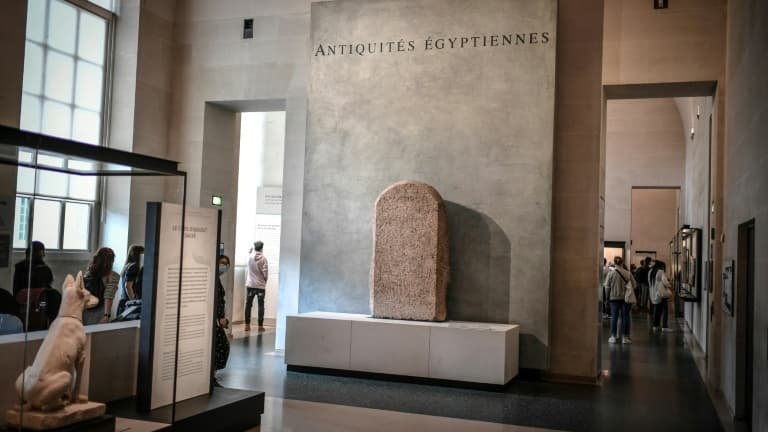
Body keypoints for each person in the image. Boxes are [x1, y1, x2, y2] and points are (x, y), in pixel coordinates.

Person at [83, 247, 120, 325]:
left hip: (83, 310)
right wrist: (106, 315)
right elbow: (108, 296)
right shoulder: (113, 276)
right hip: (99, 312)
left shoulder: (89, 272)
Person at [603, 256, 634, 344]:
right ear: (622, 263)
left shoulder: (611, 273)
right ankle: (625, 337)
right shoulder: (628, 273)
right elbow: (634, 285)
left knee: (614, 317)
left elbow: (607, 287)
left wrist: (607, 298)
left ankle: (613, 336)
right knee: (625, 317)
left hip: (613, 298)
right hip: (625, 298)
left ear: (614, 263)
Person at [213, 255, 231, 386]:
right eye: (222, 263)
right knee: (221, 348)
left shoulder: (217, 279)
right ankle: (211, 378)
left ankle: (212, 377)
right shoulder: (214, 279)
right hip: (215, 322)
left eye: (226, 264)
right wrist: (218, 321)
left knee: (221, 348)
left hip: (218, 321)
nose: (224, 266)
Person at [245, 241, 268, 332]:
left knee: (248, 305)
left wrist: (250, 252)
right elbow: (265, 273)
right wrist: (264, 281)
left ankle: (247, 325)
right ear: (262, 248)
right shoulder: (264, 258)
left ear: (254, 247)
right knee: (261, 305)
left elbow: (248, 260)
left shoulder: (250, 257)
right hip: (260, 286)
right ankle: (260, 326)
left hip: (250, 285)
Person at [117, 245, 144, 317]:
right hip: (128, 304)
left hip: (123, 301)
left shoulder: (127, 266)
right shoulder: (134, 266)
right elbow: (128, 286)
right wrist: (134, 302)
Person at [649, 260, 673, 332]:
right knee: (665, 310)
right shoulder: (660, 272)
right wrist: (670, 285)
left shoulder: (650, 271)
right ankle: (664, 326)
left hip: (653, 293)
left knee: (656, 309)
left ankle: (655, 325)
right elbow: (665, 282)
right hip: (661, 293)